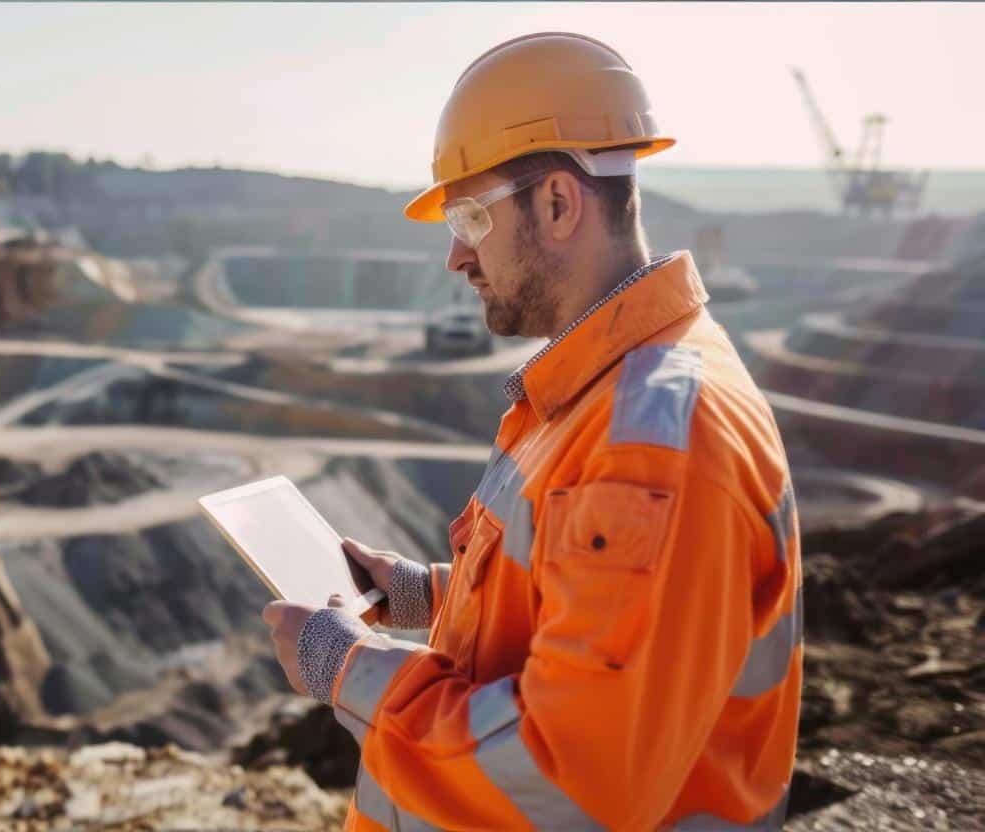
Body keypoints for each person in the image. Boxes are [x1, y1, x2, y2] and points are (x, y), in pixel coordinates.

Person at [262, 32, 802, 831]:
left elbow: (565, 776)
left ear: (557, 203)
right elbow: (580, 604)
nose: (455, 257)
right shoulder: (608, 393)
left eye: (470, 217)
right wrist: (424, 594)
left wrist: (340, 662)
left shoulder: (653, 438)